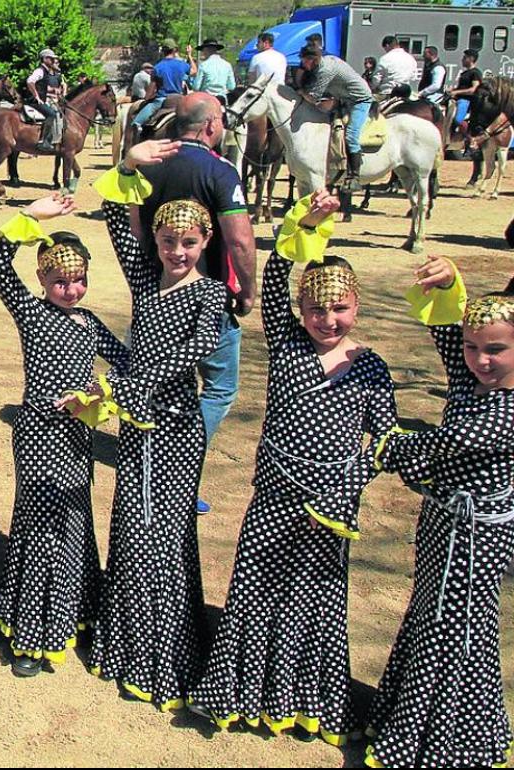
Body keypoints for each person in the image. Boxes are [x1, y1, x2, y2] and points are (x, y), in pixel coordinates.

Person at [189, 190, 397, 747]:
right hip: (275, 497)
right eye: (316, 309)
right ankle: (239, 694)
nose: (327, 319)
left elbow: (383, 443)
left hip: (330, 509)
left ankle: (309, 704)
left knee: (316, 600)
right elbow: (276, 273)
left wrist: (340, 495)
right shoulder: (286, 344)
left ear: (357, 306)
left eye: (339, 308)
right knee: (256, 590)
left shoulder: (371, 367)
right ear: (300, 311)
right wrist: (296, 227)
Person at [88, 141, 227, 709]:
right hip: (139, 420)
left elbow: (191, 354)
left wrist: (126, 385)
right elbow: (117, 227)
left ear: (205, 241)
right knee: (130, 524)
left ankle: (168, 655)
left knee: (166, 533)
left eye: (188, 242)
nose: (176, 250)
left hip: (175, 424)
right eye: (168, 240)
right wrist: (125, 165)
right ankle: (123, 647)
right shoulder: (146, 281)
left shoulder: (211, 294)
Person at [367, 258, 514, 767]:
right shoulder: (472, 379)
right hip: (441, 527)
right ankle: (406, 721)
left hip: (477, 537)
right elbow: (448, 336)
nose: (481, 360)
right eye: (476, 348)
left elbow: (448, 441)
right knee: (429, 619)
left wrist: (389, 448)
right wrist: (452, 284)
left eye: (496, 349)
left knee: (459, 630)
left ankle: (451, 744)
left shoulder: (508, 407)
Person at [0, 196, 129, 677]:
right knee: (38, 524)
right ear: (43, 280)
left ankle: (77, 612)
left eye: (79, 280)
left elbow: (125, 361)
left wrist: (102, 390)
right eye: (60, 281)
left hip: (77, 437)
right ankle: (29, 634)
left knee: (73, 520)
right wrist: (33, 217)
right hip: (38, 434)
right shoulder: (31, 313)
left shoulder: (90, 323)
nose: (71, 289)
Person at [129, 93, 257, 513]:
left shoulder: (152, 162)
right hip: (207, 294)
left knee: (160, 381)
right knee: (219, 386)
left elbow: (131, 230)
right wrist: (248, 291)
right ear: (210, 126)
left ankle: (163, 455)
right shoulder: (220, 169)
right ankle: (181, 463)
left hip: (154, 292)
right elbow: (239, 239)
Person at [297, 45, 373, 191]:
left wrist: (300, 93)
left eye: (304, 61)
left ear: (312, 60)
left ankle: (354, 176)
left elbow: (313, 97)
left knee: (351, 135)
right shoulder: (322, 64)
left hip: (359, 100)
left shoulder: (325, 70)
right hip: (344, 98)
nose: (303, 65)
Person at [131, 39, 196, 131]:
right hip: (180, 100)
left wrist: (146, 99)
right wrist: (189, 55)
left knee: (136, 122)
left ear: (163, 51)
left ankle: (137, 130)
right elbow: (194, 71)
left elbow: (151, 89)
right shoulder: (182, 65)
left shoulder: (157, 67)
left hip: (162, 101)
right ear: (175, 50)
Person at [27, 49, 67, 153]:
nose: (54, 61)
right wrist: (36, 97)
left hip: (42, 100)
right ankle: (44, 141)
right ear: (45, 59)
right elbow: (30, 82)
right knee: (52, 114)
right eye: (51, 59)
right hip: (36, 101)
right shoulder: (40, 71)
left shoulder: (47, 71)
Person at [450, 49, 483, 137]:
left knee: (457, 120)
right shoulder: (465, 73)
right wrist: (453, 90)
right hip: (457, 98)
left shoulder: (475, 73)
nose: (462, 59)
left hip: (466, 101)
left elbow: (473, 89)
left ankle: (459, 137)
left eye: (464, 58)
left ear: (471, 59)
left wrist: (456, 92)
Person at [192, 39, 236, 105]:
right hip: (222, 100)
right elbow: (232, 87)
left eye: (203, 50)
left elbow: (196, 87)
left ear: (206, 50)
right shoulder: (227, 65)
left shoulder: (203, 65)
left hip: (206, 100)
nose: (202, 53)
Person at [373, 35, 417, 100]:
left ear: (387, 45)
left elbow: (377, 79)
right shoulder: (410, 58)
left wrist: (374, 86)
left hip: (388, 92)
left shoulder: (385, 59)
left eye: (385, 48)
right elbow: (413, 77)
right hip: (406, 93)